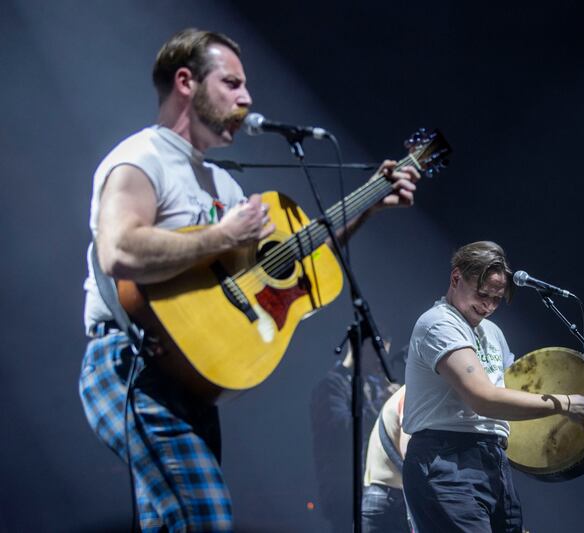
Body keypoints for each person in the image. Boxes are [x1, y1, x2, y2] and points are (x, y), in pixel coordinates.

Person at [78, 28, 420, 532]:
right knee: (204, 517)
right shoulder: (141, 158)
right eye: (233, 83)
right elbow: (120, 249)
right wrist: (220, 236)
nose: (247, 98)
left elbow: (292, 260)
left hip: (190, 378)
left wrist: (369, 203)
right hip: (133, 363)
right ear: (186, 82)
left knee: (174, 523)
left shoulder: (224, 184)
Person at [402, 241, 584, 533]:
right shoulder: (438, 323)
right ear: (456, 278)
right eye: (482, 294)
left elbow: (512, 393)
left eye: (496, 298)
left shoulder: (492, 333)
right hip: (446, 458)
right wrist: (563, 404)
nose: (488, 306)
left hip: (492, 459)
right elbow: (484, 399)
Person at [310, 340, 399, 533]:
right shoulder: (331, 385)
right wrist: (381, 404)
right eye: (376, 353)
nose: (380, 361)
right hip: (345, 491)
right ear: (357, 347)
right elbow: (340, 431)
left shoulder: (374, 384)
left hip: (373, 487)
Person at [362, 384, 411, 533]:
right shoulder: (413, 393)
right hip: (391, 501)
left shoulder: (408, 391)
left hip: (382, 496)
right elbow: (410, 453)